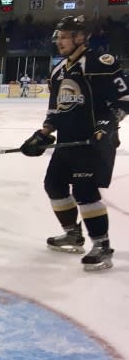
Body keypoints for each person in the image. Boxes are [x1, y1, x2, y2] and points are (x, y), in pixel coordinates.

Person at [20, 15, 128, 271]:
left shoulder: (100, 63)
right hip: (67, 143)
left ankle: (102, 246)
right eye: (58, 36)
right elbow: (56, 110)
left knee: (84, 191)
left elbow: (124, 100)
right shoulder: (59, 71)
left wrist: (105, 126)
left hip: (93, 143)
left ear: (80, 37)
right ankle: (72, 233)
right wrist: (42, 135)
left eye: (64, 36)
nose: (59, 41)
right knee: (53, 185)